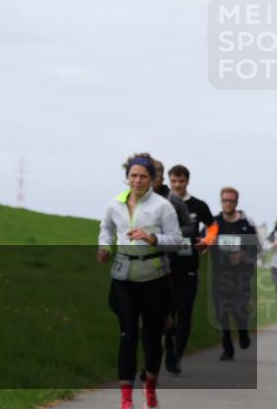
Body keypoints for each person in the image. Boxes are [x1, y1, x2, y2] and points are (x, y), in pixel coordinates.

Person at [98, 154, 182, 409]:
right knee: (128, 335)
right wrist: (104, 247)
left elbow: (176, 241)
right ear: (127, 177)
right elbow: (105, 229)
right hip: (123, 279)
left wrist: (152, 238)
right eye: (133, 175)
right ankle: (126, 400)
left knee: (152, 337)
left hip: (154, 279)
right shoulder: (114, 204)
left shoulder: (162, 206)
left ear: (152, 179)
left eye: (143, 176)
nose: (137, 180)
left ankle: (150, 389)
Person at [161, 164, 215, 374]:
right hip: (164, 267)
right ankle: (168, 345)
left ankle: (176, 356)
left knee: (184, 311)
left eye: (181, 181)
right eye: (173, 181)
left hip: (188, 267)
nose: (177, 185)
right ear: (169, 181)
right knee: (165, 314)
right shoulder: (162, 204)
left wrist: (207, 242)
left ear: (187, 181)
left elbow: (213, 226)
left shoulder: (198, 205)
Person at [204, 187, 258, 361]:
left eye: (231, 201)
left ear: (236, 202)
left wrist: (244, 255)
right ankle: (227, 348)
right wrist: (205, 245)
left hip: (241, 276)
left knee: (238, 308)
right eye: (225, 200)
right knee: (221, 313)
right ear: (221, 201)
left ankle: (242, 331)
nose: (227, 203)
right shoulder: (214, 223)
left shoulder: (246, 224)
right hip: (219, 275)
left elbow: (257, 249)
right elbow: (204, 243)